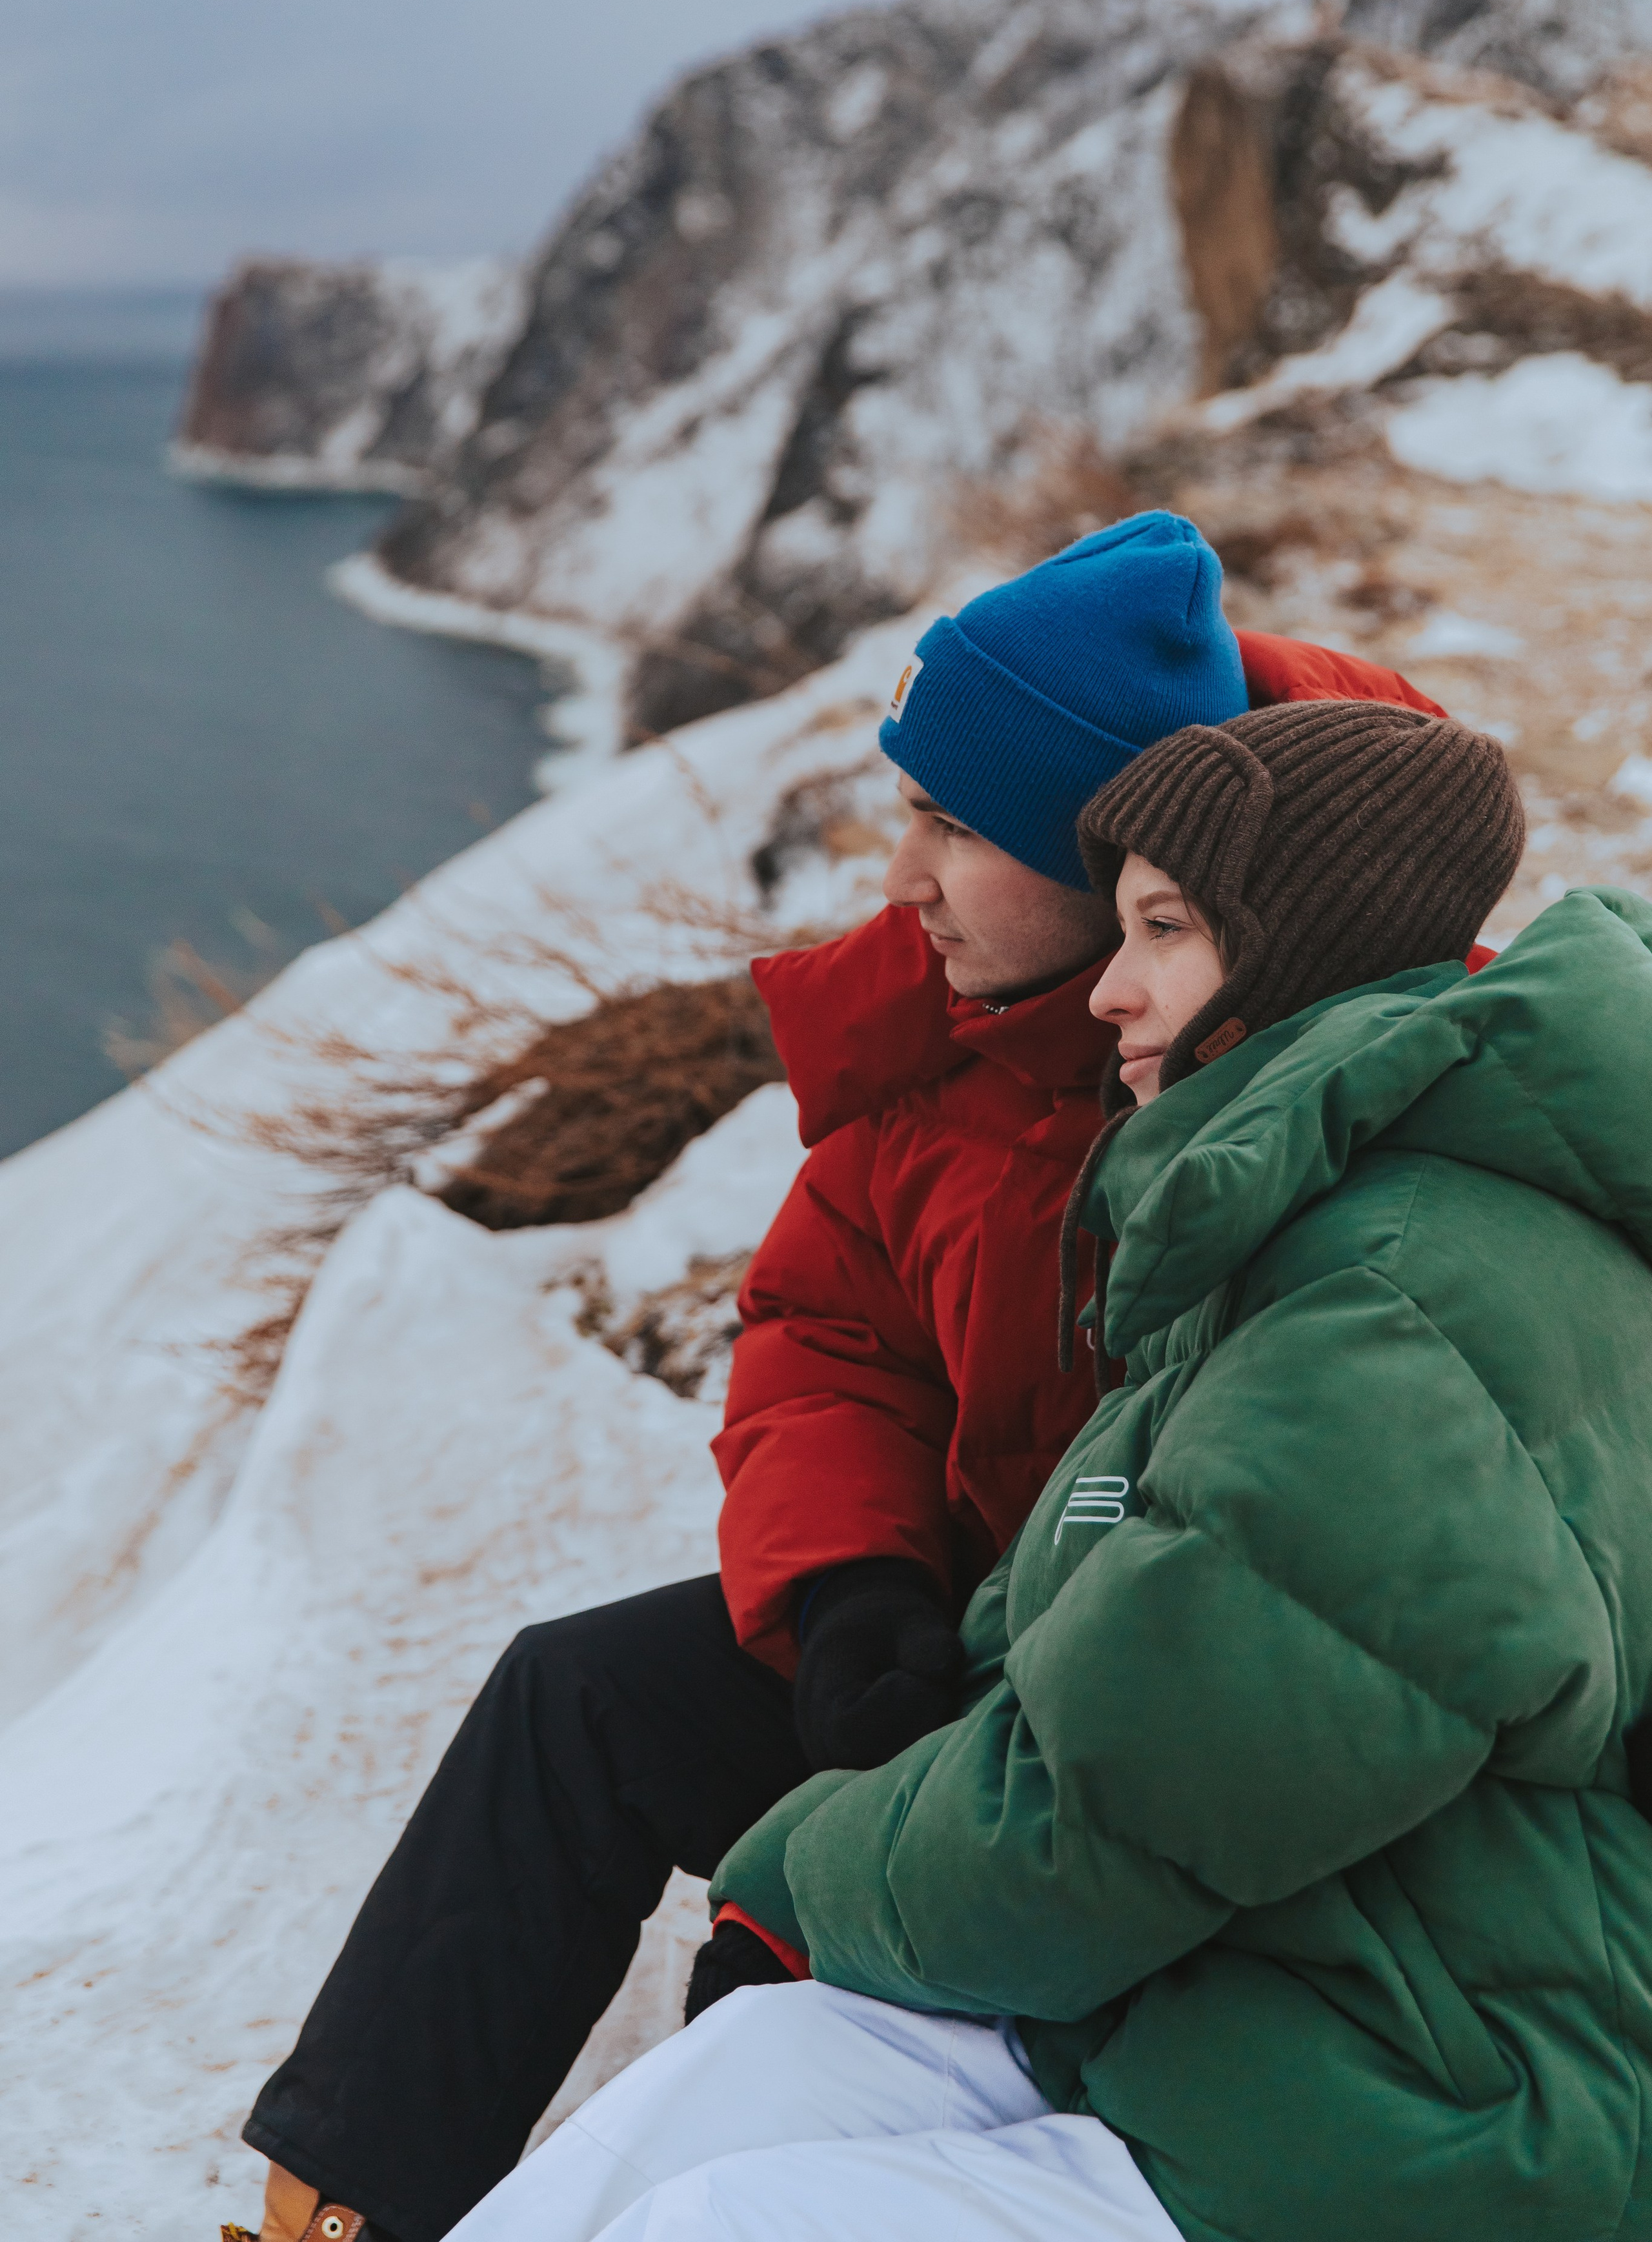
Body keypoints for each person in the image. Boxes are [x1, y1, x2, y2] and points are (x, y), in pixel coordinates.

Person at [232, 520, 1447, 2242]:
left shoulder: (1295, 1053)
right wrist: (852, 1581)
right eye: (908, 812)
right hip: (950, 1625)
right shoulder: (930, 1034)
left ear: (1109, 859)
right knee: (572, 1703)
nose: (902, 875)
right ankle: (331, 2219)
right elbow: (829, 1330)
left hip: (1152, 1699)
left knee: (783, 1959)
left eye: (953, 823)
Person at [452, 699, 1652, 2242]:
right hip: (1263, 1987)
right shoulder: (1311, 1227)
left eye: (1162, 929)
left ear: (1295, 953)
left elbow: (1105, 1817)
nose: (1111, 986)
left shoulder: (1386, 1314)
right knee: (745, 2067)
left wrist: (792, 1886)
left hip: (1425, 2105)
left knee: (722, 2214)